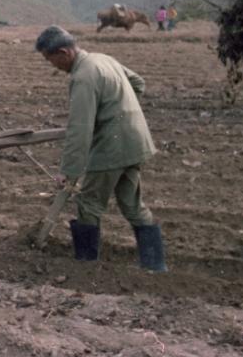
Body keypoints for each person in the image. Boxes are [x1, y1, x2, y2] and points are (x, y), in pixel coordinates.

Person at [35, 26, 166, 271]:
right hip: (134, 143)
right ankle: (155, 266)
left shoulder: (83, 77)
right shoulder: (104, 59)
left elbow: (80, 129)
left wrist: (68, 172)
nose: (52, 65)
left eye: (49, 59)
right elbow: (138, 83)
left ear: (63, 53)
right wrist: (118, 110)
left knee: (88, 203)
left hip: (112, 147)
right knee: (132, 204)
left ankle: (86, 267)